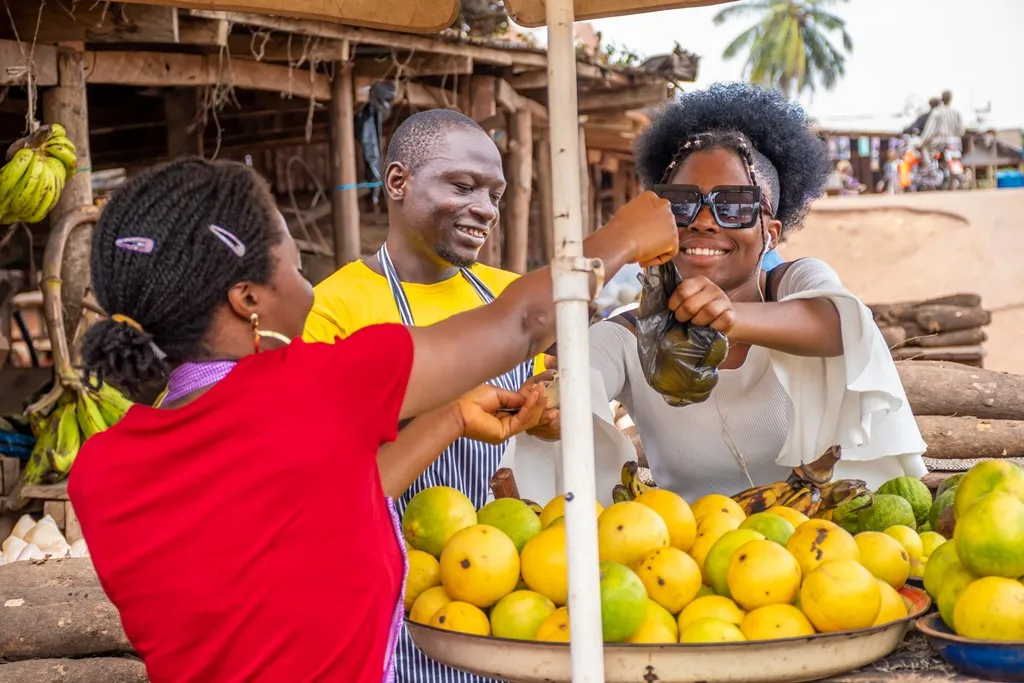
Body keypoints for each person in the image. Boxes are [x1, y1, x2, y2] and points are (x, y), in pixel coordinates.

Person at [67, 157, 679, 683]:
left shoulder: (99, 473)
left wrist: (449, 419)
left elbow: (304, 523)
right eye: (292, 258)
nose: (306, 276)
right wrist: (622, 236)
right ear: (247, 298)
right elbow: (522, 323)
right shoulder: (315, 385)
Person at [511, 83, 927, 504]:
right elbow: (579, 378)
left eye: (733, 205)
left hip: (821, 549)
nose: (704, 222)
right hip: (683, 560)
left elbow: (843, 326)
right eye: (681, 204)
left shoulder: (798, 284)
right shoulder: (629, 336)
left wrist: (731, 317)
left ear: (771, 233)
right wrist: (555, 414)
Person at [303, 110, 555, 683]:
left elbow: (535, 429)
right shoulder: (335, 306)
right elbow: (323, 474)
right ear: (398, 183)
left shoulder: (506, 296)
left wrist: (545, 422)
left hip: (507, 588)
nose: (486, 208)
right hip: (393, 589)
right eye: (462, 187)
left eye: (494, 193)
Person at [921, 90, 966, 158]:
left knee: (927, 153)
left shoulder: (937, 112)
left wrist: (922, 142)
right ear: (951, 99)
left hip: (940, 144)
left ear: (941, 98)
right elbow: (961, 131)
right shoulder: (956, 113)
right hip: (955, 144)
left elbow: (930, 131)